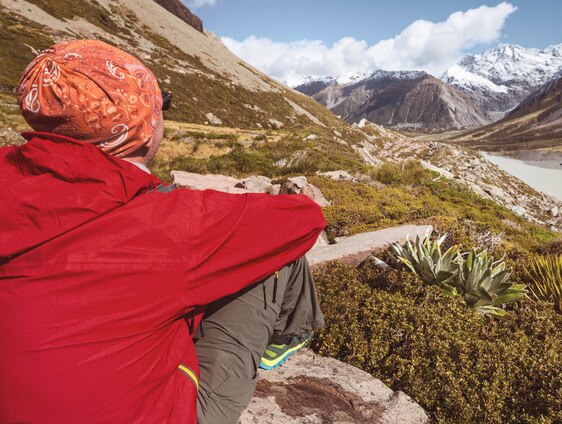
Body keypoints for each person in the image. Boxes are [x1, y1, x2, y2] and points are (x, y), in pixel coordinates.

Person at [0, 39, 325, 424]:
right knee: (272, 255)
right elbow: (304, 220)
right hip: (152, 413)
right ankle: (287, 339)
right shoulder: (171, 223)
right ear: (142, 123)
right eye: (159, 104)